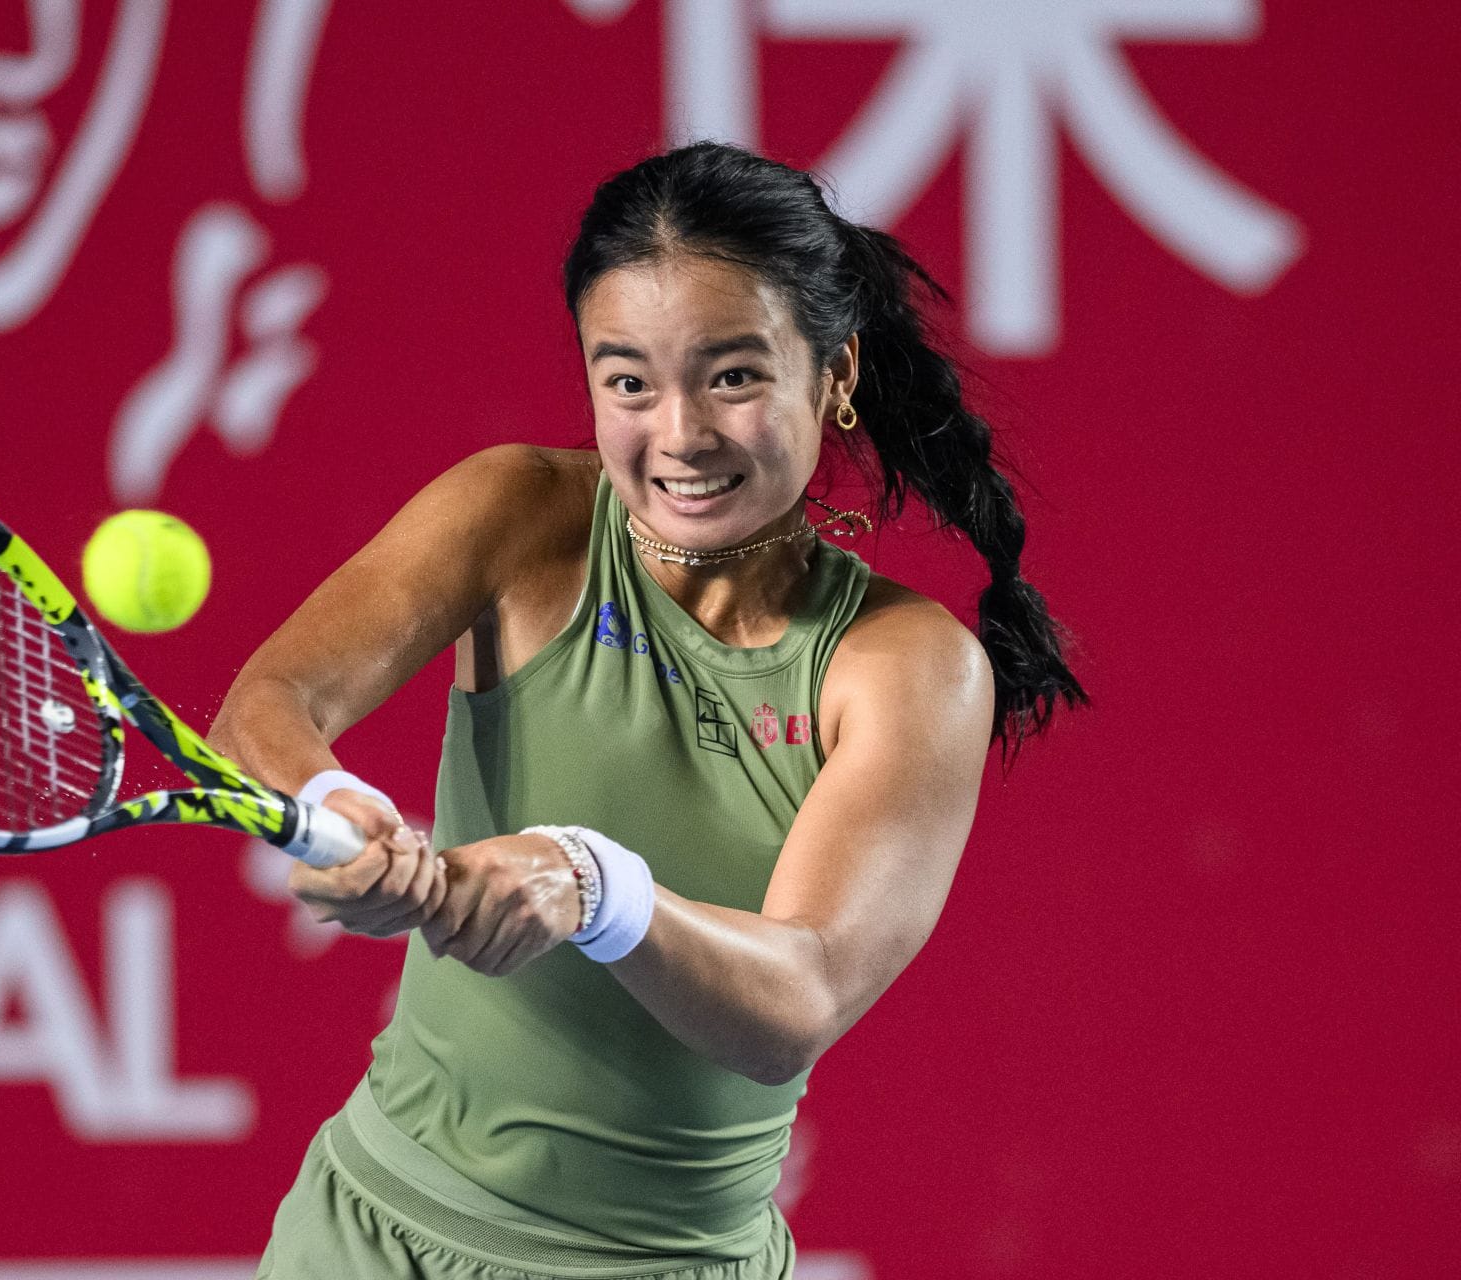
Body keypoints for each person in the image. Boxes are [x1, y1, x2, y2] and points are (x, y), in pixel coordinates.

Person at [209, 141, 1088, 1279]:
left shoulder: (907, 662)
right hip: (369, 1237)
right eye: (628, 380)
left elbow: (797, 997)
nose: (678, 434)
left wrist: (589, 882)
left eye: (732, 376)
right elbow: (265, 706)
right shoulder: (520, 511)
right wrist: (337, 805)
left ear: (835, 373)